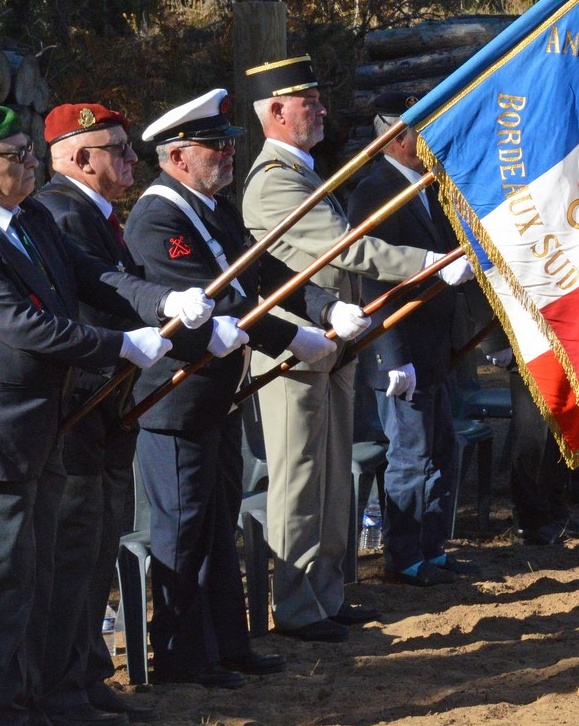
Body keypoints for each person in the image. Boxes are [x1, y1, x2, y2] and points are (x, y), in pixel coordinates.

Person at [0, 107, 177, 726]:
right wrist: (121, 345)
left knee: (37, 583)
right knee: (3, 589)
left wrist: (159, 303)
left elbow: (91, 276)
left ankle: (33, 712)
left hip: (42, 426)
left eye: (31, 152)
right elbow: (19, 326)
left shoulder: (28, 216)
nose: (34, 163)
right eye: (19, 156)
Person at [242, 55, 469, 641]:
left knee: (332, 479)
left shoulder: (304, 172)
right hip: (295, 350)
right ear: (276, 111)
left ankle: (326, 593)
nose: (321, 111)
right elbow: (345, 249)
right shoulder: (273, 181)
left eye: (318, 100)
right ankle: (297, 606)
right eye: (309, 103)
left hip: (331, 346)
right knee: (300, 482)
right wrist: (428, 262)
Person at [127, 89, 338, 686]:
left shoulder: (211, 208)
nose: (226, 154)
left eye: (227, 144)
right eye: (213, 146)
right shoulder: (158, 216)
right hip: (177, 398)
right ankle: (180, 656)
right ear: (176, 156)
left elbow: (263, 270)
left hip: (217, 393)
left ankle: (226, 644)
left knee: (217, 524)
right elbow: (214, 301)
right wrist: (290, 338)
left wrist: (324, 307)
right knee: (183, 530)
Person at [33, 102, 203, 726]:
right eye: (120, 150)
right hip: (82, 401)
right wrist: (156, 323)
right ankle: (63, 686)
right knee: (75, 550)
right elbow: (95, 296)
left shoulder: (92, 213)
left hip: (110, 401)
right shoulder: (60, 212)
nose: (133, 160)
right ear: (81, 158)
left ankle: (85, 674)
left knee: (100, 544)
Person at [348, 91, 476, 586]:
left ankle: (432, 548)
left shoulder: (428, 184)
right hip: (401, 348)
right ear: (398, 138)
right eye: (423, 131)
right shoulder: (374, 190)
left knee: (442, 449)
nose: (431, 140)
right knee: (410, 455)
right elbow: (372, 277)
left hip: (437, 345)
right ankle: (402, 557)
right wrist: (390, 355)